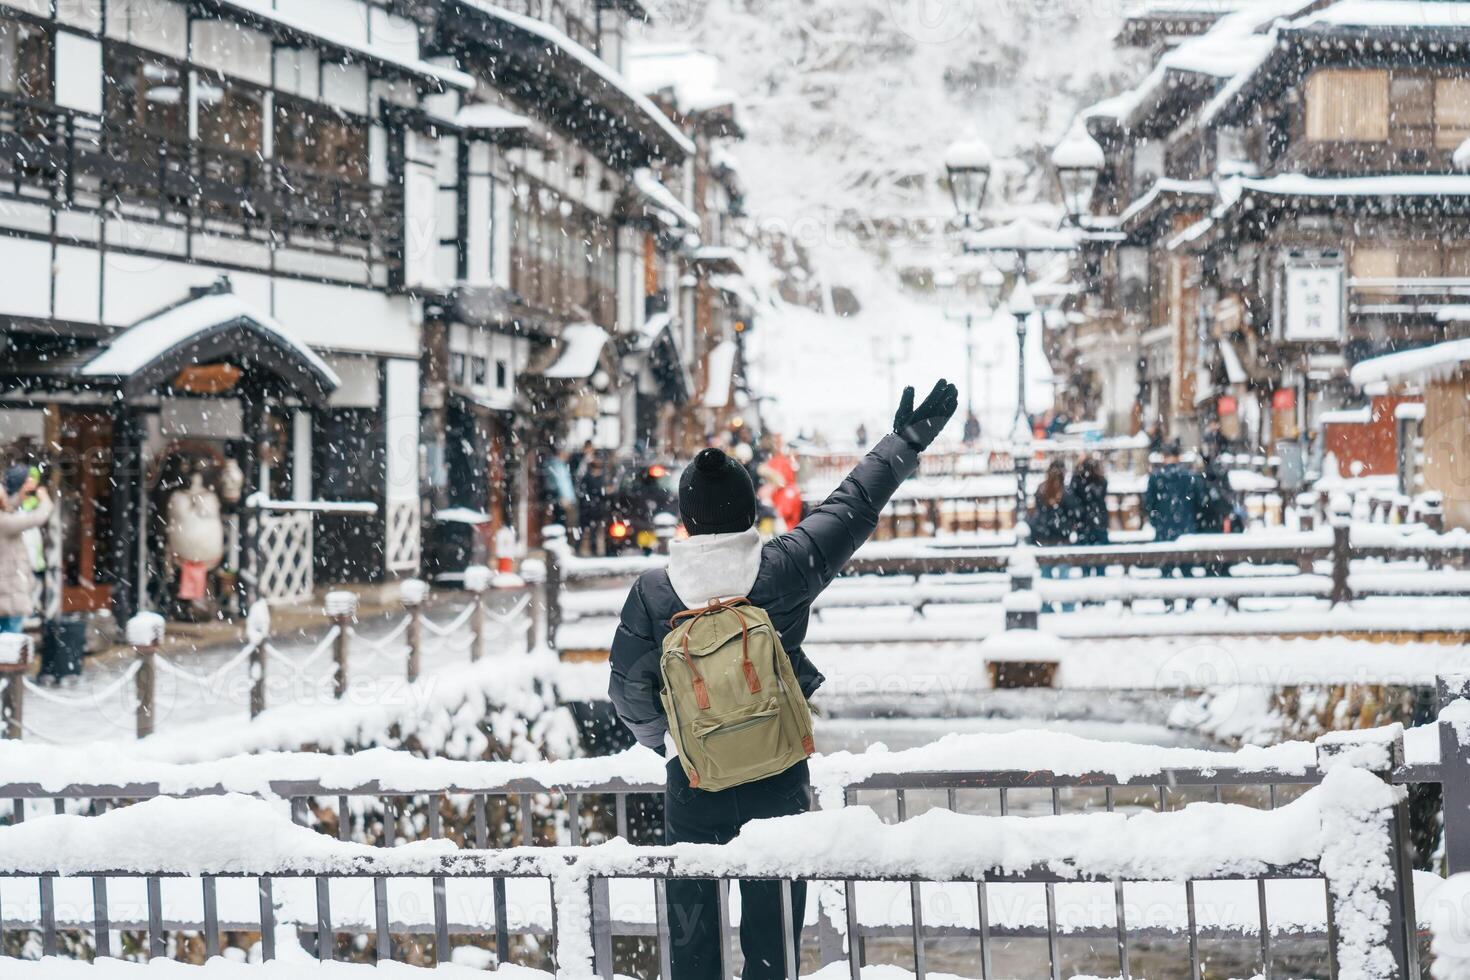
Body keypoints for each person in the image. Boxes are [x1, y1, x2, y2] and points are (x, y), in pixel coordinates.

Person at [608, 379, 958, 980]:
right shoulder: (782, 568)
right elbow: (851, 508)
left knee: (692, 940)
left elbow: (628, 692)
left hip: (694, 783)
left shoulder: (654, 593)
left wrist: (670, 741)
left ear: (687, 518)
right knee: (773, 945)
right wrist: (903, 442)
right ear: (750, 510)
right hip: (777, 775)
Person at [0, 465, 52, 634]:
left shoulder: (7, 516)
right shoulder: (4, 522)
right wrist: (44, 500)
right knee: (10, 648)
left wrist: (22, 490)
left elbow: (11, 504)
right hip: (8, 600)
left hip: (9, 598)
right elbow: (37, 518)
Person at [1145, 441, 1203, 583]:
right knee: (1187, 570)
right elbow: (1199, 503)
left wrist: (1155, 521)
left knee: (1166, 572)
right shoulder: (1190, 477)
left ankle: (1168, 602)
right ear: (1179, 456)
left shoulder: (1155, 477)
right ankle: (1189, 601)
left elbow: (1149, 504)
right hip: (1186, 530)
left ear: (1164, 457)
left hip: (1164, 529)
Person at [1030, 459, 1076, 612]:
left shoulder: (1041, 490)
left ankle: (1046, 606)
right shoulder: (1066, 492)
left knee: (1046, 575)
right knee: (1064, 577)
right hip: (1062, 539)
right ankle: (1067, 606)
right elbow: (1073, 514)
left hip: (1045, 539)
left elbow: (1038, 515)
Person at [1196, 456, 1239, 577]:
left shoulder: (1202, 479)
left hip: (1207, 524)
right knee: (1222, 564)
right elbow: (1229, 501)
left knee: (1210, 564)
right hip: (1220, 524)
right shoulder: (1221, 477)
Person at [1070, 455, 1110, 573]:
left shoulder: (1078, 481)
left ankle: (1087, 576)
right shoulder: (1101, 481)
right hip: (1099, 522)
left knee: (1085, 560)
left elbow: (1072, 490)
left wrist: (1078, 466)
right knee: (1101, 560)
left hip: (1083, 523)